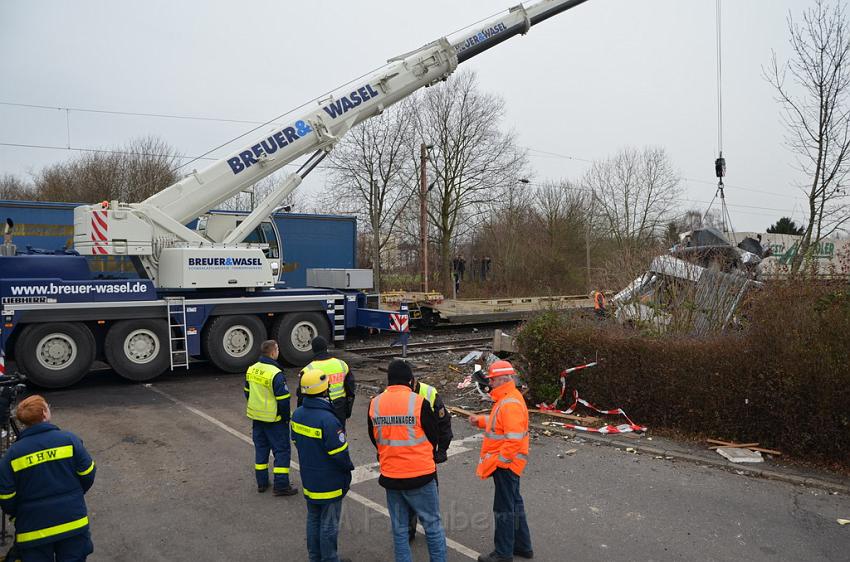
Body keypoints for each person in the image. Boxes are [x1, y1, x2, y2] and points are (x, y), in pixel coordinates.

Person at [0, 395, 96, 561]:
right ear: (45, 414)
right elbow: (88, 473)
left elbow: (6, 496)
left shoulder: (12, 455)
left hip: (32, 530)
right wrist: (74, 496)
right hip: (72, 522)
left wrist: (20, 513)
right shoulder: (69, 440)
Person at [368, 359, 447, 562]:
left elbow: (374, 437)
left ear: (389, 381)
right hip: (420, 475)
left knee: (400, 529)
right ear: (411, 381)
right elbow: (433, 435)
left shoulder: (375, 403)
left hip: (391, 476)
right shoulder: (419, 402)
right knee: (433, 527)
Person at [469, 361, 532, 562]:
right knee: (514, 504)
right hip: (511, 463)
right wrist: (480, 420)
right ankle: (522, 546)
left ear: (503, 379)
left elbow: (513, 439)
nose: (490, 383)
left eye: (493, 379)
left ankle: (503, 553)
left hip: (506, 464)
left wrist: (501, 463)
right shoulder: (508, 399)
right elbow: (501, 424)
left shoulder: (509, 402)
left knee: (504, 508)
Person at [291, 368, 354, 562]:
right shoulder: (328, 420)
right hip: (329, 482)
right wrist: (348, 470)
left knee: (313, 518)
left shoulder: (298, 414)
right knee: (329, 524)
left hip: (310, 479)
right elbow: (339, 454)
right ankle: (330, 559)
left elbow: (295, 440)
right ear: (324, 391)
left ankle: (315, 557)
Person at [244, 340, 297, 496]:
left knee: (261, 450)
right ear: (273, 352)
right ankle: (281, 486)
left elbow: (247, 392)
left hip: (257, 417)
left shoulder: (251, 369)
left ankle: (262, 483)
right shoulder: (275, 373)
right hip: (274, 420)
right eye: (278, 349)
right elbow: (283, 399)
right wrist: (286, 418)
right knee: (281, 451)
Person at [407, 377, 453, 542]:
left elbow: (444, 422)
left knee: (428, 497)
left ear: (413, 381)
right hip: (403, 456)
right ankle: (409, 529)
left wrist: (442, 449)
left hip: (424, 456)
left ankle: (431, 529)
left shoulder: (429, 392)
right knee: (408, 496)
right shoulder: (390, 393)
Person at [300, 336, 355, 429]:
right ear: (326, 348)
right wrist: (347, 411)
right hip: (339, 407)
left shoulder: (308, 369)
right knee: (338, 436)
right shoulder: (342, 364)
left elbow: (302, 395)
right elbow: (350, 390)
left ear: (313, 350)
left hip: (317, 409)